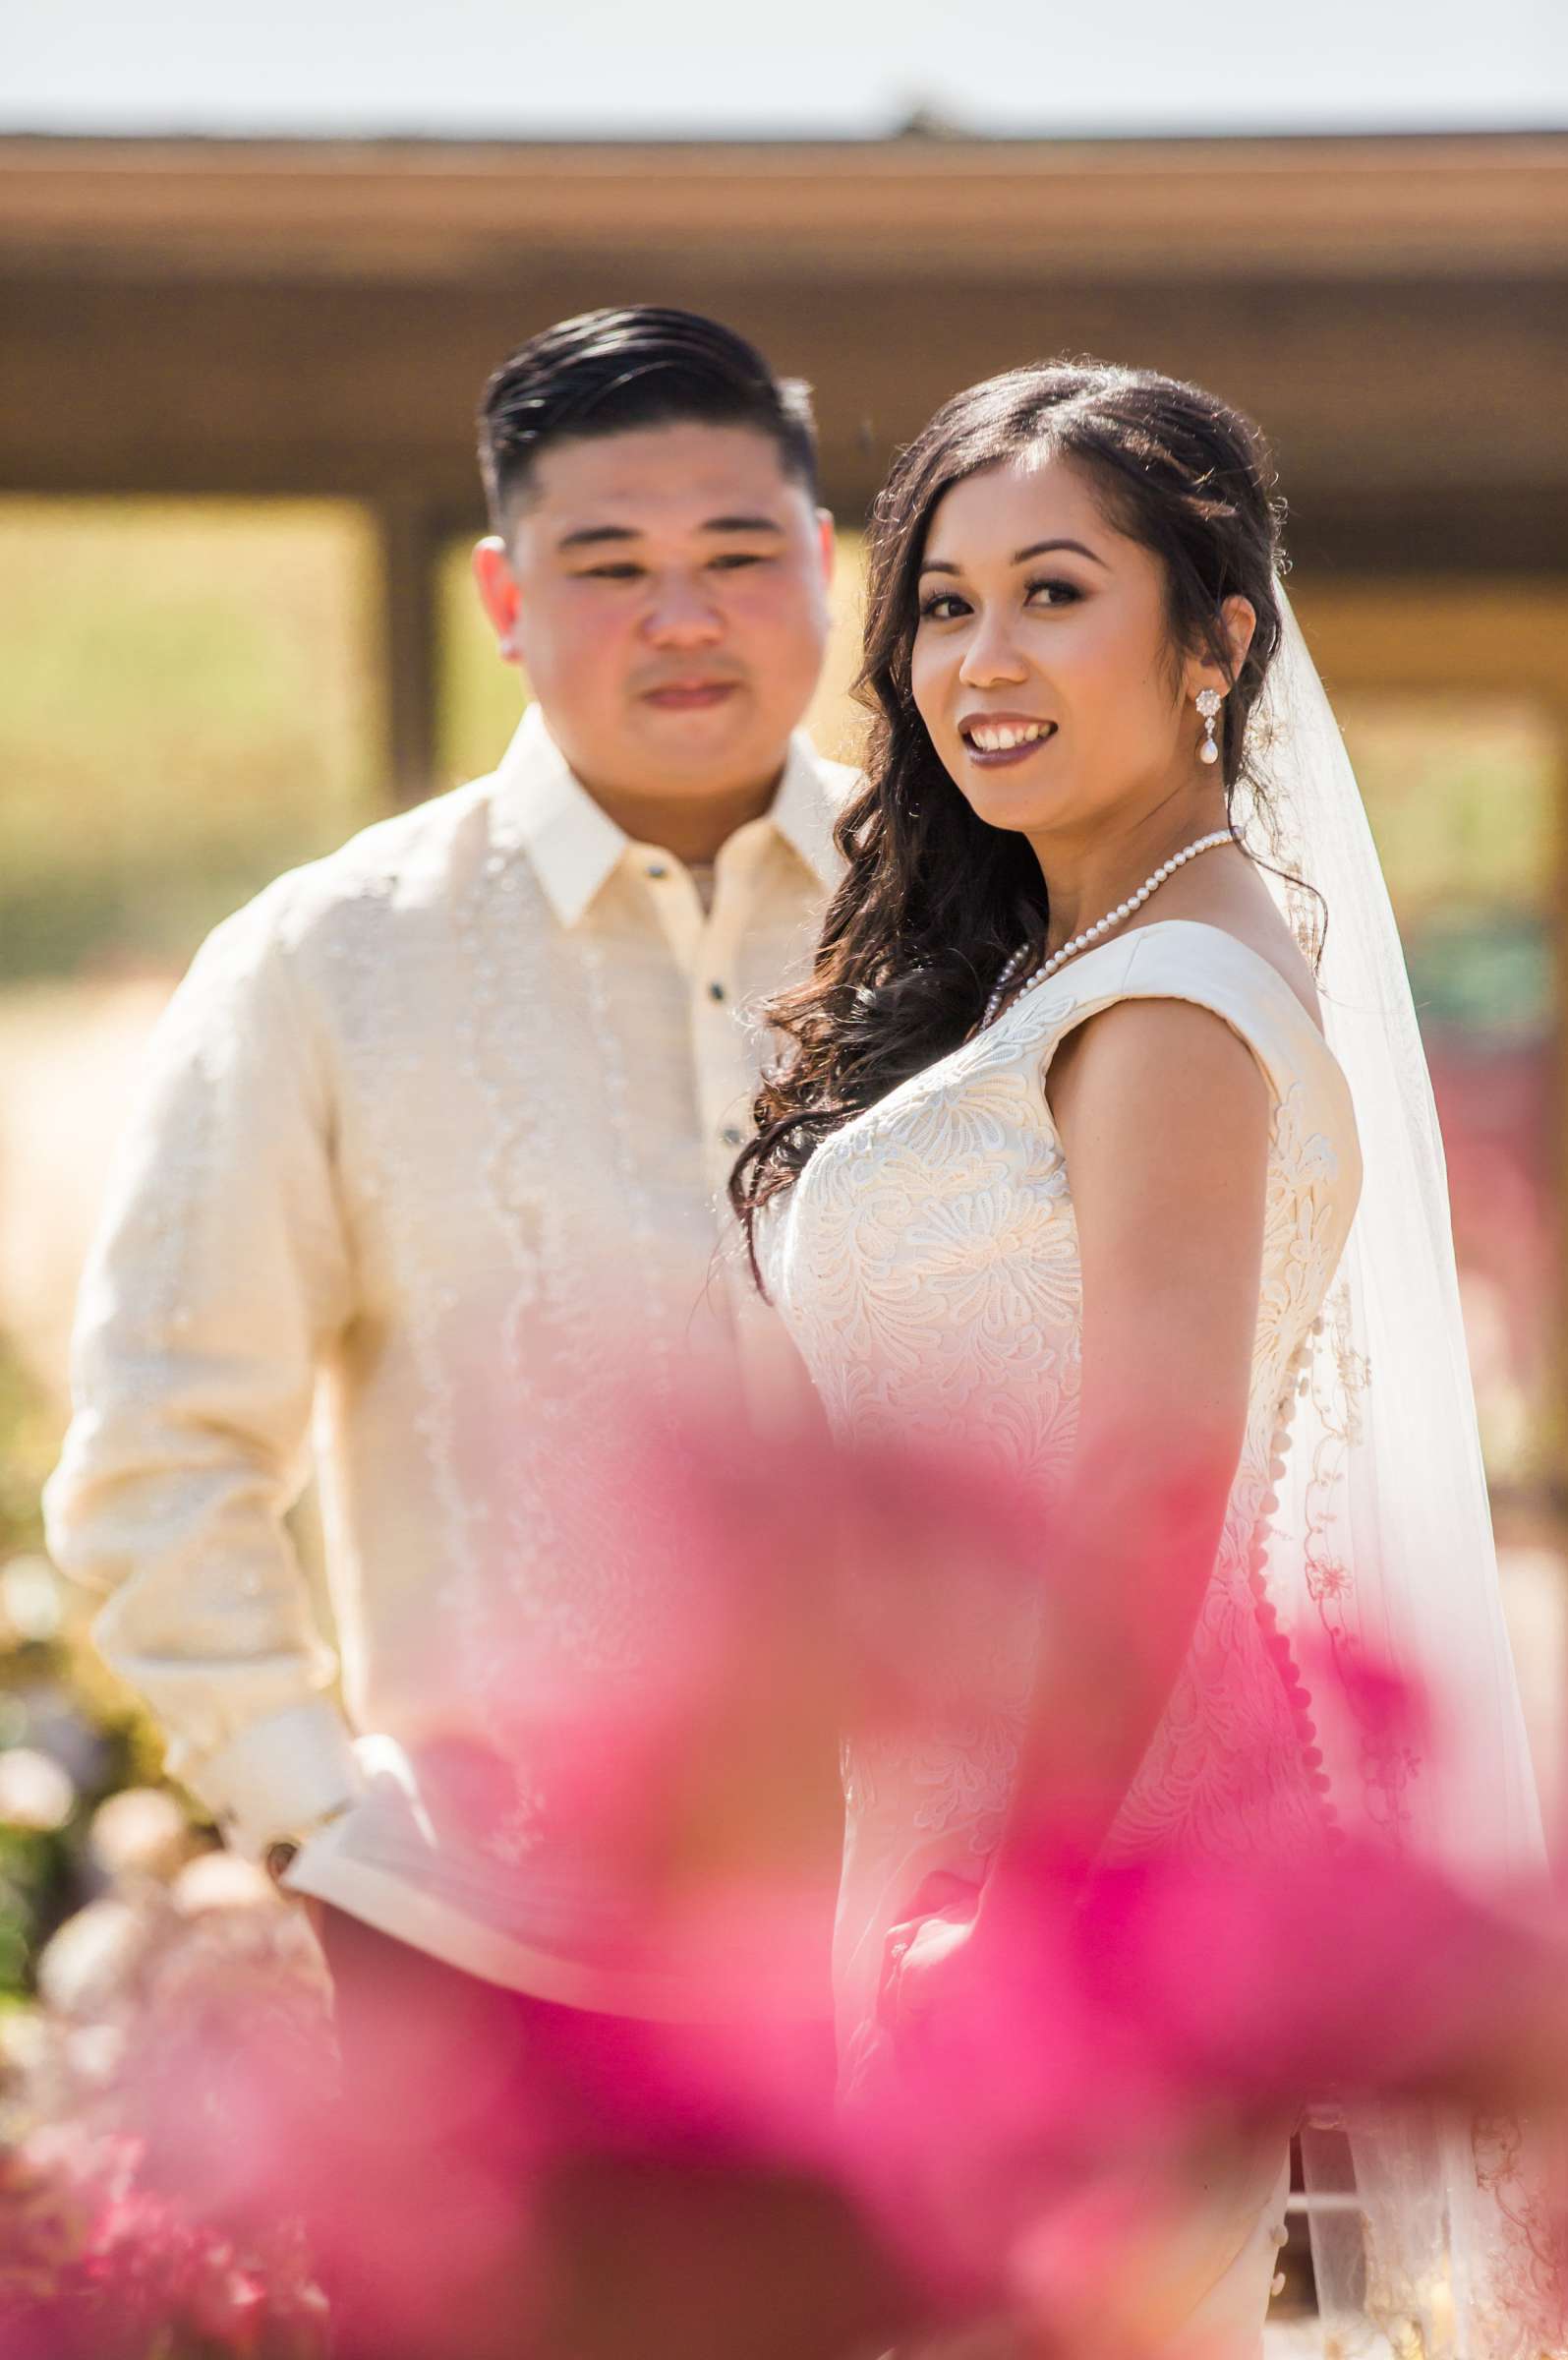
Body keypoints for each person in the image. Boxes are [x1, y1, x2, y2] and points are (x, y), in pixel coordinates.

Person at [44, 306, 889, 2359]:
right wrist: (328, 1829)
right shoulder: (331, 963)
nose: (682, 615)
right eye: (611, 564)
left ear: (823, 569)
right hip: (477, 1955)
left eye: (736, 550)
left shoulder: (958, 916)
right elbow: (159, 1458)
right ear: (508, 599)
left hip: (903, 1959)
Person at [732, 360, 1550, 2358]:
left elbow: (1149, 1478)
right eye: (940, 602)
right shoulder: (1065, 966)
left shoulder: (1172, 1000)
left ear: (1216, 641)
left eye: (1053, 593)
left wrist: (1013, 1922)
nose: (977, 657)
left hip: (1086, 1888)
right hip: (957, 1830)